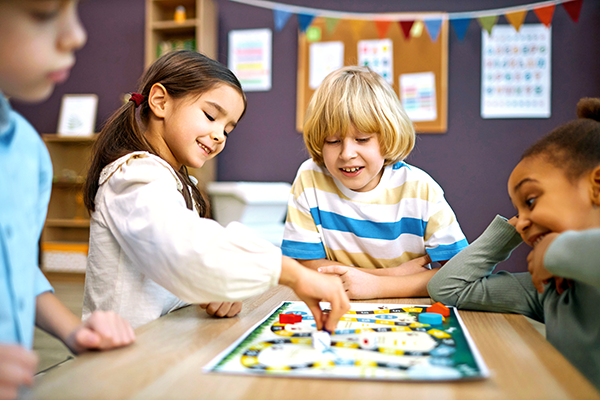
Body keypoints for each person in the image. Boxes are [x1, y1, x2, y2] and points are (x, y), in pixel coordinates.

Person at [82, 50, 349, 331]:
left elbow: (174, 273)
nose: (220, 135)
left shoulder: (171, 179)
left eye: (228, 129)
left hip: (159, 345)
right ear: (160, 102)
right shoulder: (133, 176)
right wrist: (292, 273)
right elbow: (180, 245)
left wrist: (211, 289)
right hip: (121, 357)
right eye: (211, 116)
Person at [0, 2, 135, 399]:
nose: (76, 35)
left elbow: (15, 270)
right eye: (44, 14)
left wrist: (74, 331)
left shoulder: (27, 151)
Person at [427, 98, 600, 390]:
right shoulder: (548, 290)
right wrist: (509, 230)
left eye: (531, 200)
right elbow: (446, 288)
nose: (521, 221)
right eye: (518, 211)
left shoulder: (558, 261)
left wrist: (556, 251)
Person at [281, 66, 468, 300]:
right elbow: (307, 267)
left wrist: (378, 286)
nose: (347, 153)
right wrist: (392, 274)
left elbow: (461, 273)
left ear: (388, 136)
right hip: (340, 308)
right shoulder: (310, 179)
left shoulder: (420, 188)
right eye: (333, 140)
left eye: (362, 139)